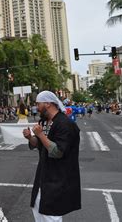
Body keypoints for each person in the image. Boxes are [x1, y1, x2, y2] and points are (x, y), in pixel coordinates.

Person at [23, 90, 81, 222]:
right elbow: (40, 145)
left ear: (48, 104)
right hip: (45, 174)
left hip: (59, 176)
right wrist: (30, 137)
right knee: (38, 206)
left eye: (38, 104)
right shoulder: (44, 122)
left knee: (51, 214)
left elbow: (57, 152)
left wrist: (41, 135)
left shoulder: (65, 124)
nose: (36, 107)